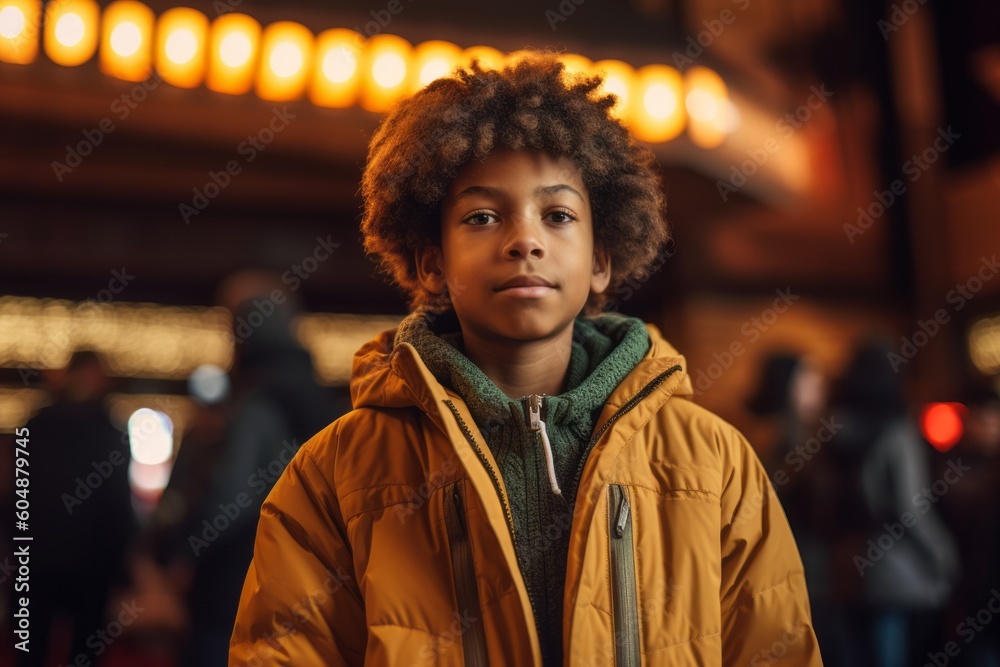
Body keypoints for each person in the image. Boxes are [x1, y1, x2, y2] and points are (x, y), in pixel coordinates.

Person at [230, 53, 822, 666]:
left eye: (559, 215)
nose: (525, 239)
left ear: (601, 259)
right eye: (482, 217)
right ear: (433, 261)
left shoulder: (716, 463)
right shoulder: (334, 475)